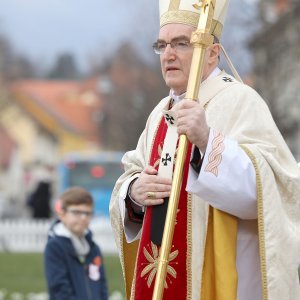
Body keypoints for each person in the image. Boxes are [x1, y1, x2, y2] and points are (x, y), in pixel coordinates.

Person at [110, 0, 300, 299]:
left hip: (221, 281)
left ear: (213, 53)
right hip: (159, 270)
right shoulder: (161, 112)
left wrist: (207, 141)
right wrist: (134, 192)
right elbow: (132, 171)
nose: (168, 54)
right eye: (162, 45)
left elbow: (273, 189)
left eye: (181, 43)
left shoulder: (240, 101)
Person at [44, 186, 108, 300]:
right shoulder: (55, 246)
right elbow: (59, 288)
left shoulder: (93, 248)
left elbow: (101, 285)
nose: (83, 217)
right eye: (76, 212)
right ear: (62, 214)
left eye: (87, 213)